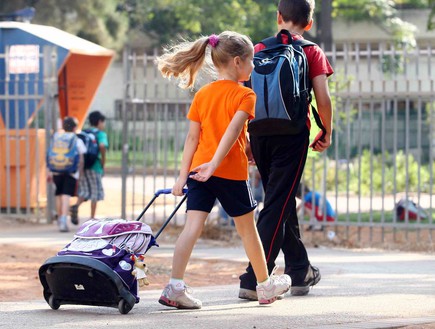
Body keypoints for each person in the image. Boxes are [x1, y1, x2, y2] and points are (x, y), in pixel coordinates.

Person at [155, 31, 291, 309]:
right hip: (228, 172)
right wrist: (216, 164)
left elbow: (193, 139)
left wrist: (183, 176)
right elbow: (230, 132)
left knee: (192, 228)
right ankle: (265, 286)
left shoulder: (203, 94)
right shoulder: (245, 94)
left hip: (198, 171)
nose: (254, 67)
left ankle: (175, 287)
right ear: (238, 62)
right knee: (248, 231)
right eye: (252, 61)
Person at [239, 0, 334, 300]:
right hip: (292, 135)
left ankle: (298, 269)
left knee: (281, 200)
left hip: (260, 134)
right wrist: (326, 130)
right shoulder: (310, 50)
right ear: (309, 22)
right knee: (278, 203)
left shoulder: (257, 49)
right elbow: (323, 98)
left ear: (278, 16)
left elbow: (244, 97)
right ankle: (254, 276)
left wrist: (247, 139)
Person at [47, 117, 86, 232]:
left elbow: (50, 154)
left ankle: (60, 218)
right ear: (75, 128)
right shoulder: (77, 140)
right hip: (71, 171)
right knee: (66, 196)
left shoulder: (56, 138)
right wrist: (81, 172)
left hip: (56, 170)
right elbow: (82, 158)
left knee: (59, 194)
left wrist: (49, 171)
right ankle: (63, 221)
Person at [70, 110, 108, 222]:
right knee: (95, 191)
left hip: (83, 165)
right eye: (103, 122)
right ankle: (92, 217)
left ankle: (75, 206)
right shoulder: (101, 134)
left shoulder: (84, 132)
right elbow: (102, 146)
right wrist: (103, 161)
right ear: (99, 122)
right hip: (95, 166)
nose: (103, 125)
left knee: (85, 191)